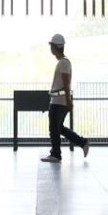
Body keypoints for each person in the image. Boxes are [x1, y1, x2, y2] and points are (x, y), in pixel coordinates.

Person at [41, 34, 91, 163]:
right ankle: (82, 143)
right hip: (59, 100)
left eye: (51, 45)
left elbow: (66, 82)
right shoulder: (62, 62)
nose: (50, 48)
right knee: (59, 128)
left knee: (54, 128)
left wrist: (68, 100)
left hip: (60, 102)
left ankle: (56, 154)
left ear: (55, 47)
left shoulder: (63, 63)